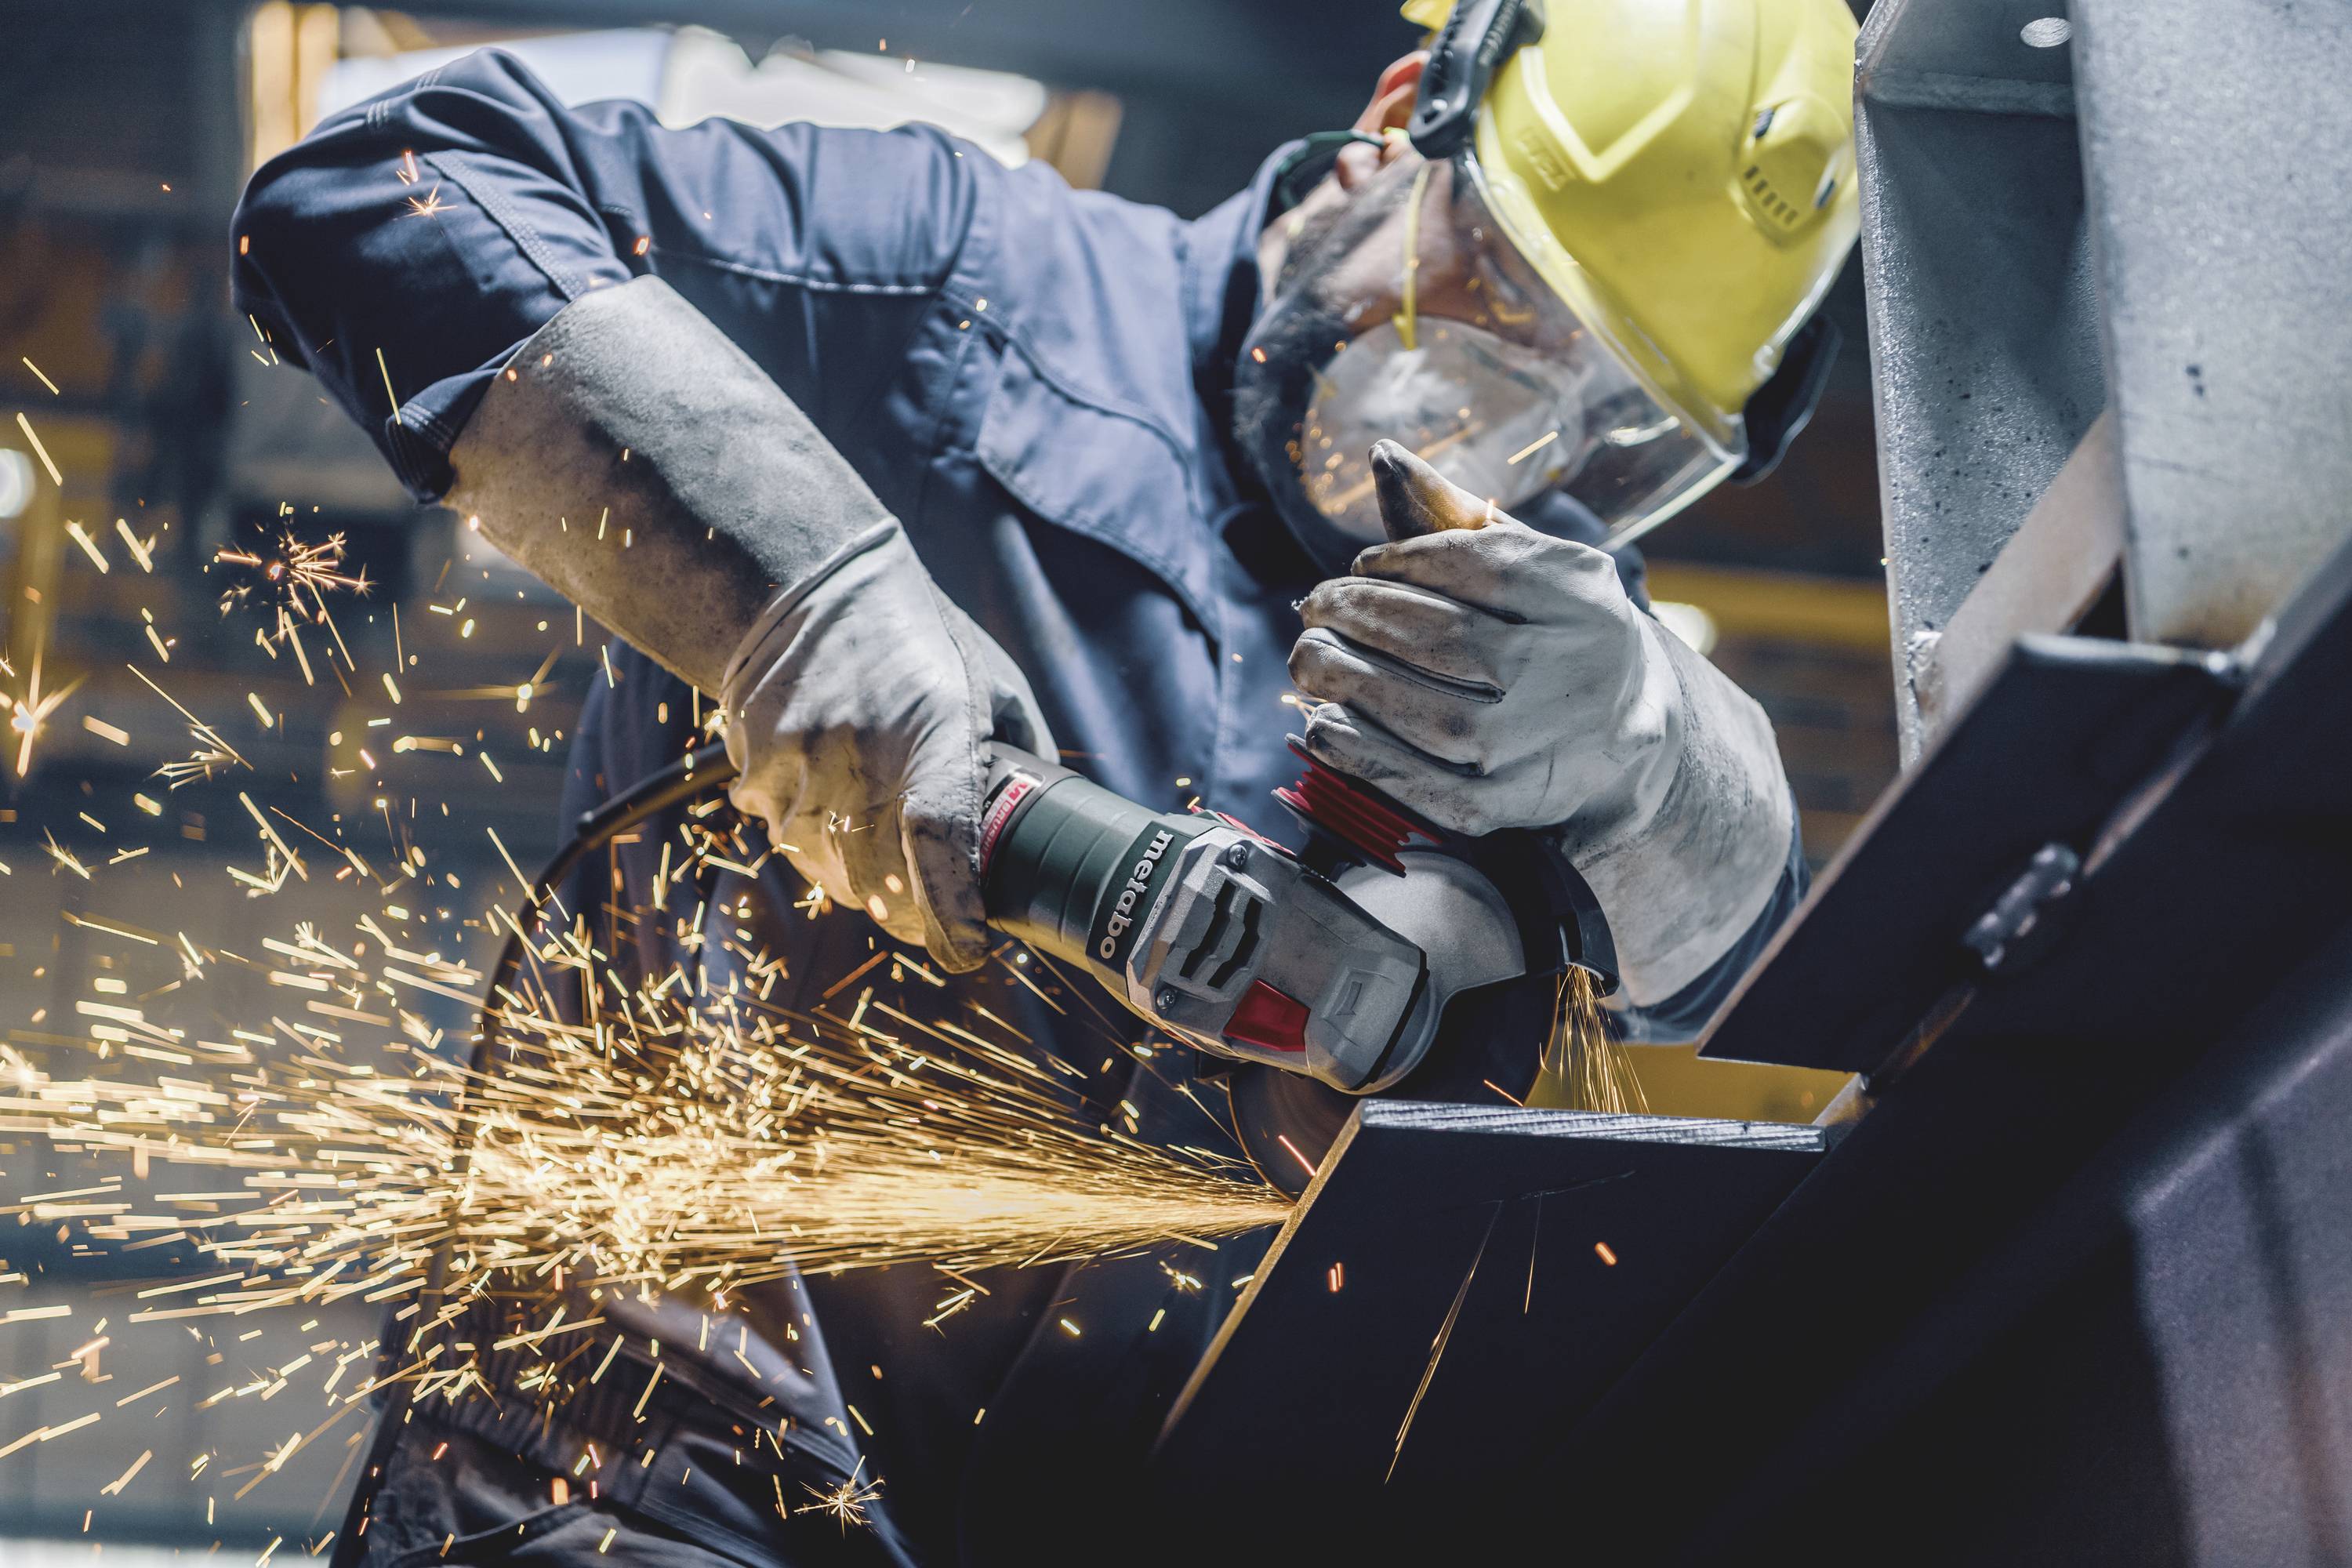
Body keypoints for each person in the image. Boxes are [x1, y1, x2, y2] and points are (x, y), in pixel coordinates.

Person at [230, 0, 1860, 1558]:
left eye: (1621, 422)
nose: (1525, 432)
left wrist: (1655, 735)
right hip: (638, 1491)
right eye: (1505, 301)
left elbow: (1724, 983)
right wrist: (800, 587)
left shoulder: (1545, 635)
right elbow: (378, 180)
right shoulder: (964, 282)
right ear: (1391, 126)